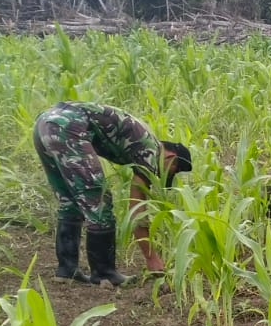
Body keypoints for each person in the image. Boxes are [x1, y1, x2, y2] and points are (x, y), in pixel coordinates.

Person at [32, 101, 191, 287]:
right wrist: (151, 258)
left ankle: (67, 270)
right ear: (171, 157)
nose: (162, 175)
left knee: (70, 199)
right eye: (172, 171)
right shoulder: (151, 151)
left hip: (45, 124)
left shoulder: (143, 140)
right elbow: (137, 208)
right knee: (99, 199)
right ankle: (104, 273)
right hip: (68, 126)